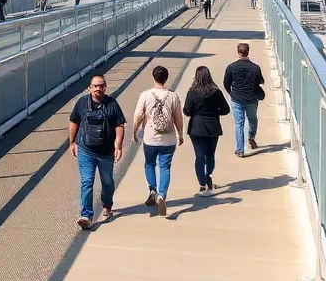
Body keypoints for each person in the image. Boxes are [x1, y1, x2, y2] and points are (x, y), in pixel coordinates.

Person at [68, 74, 126, 229]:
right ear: (89, 88)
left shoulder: (112, 104)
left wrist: (118, 146)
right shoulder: (81, 103)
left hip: (106, 152)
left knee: (107, 182)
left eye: (101, 86)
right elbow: (73, 122)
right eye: (95, 86)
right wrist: (71, 142)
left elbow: (120, 125)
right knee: (87, 181)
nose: (98, 88)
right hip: (86, 150)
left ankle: (107, 204)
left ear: (105, 88)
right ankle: (86, 215)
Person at [132, 65, 184, 216]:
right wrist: (180, 134)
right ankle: (162, 194)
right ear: (166, 78)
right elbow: (178, 118)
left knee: (149, 164)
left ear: (153, 77)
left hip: (150, 138)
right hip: (168, 140)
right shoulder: (173, 96)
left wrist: (134, 132)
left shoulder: (145, 95)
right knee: (165, 167)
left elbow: (138, 116)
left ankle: (152, 190)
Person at [183, 65, 231, 195]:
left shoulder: (192, 92)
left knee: (199, 156)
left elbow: (186, 111)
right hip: (213, 126)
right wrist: (215, 112)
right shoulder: (216, 92)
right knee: (210, 155)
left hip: (197, 127)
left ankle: (202, 183)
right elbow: (226, 109)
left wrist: (195, 112)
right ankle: (208, 174)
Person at [223, 42, 266, 157]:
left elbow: (226, 83)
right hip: (252, 98)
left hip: (237, 98)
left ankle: (240, 150)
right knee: (252, 119)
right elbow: (261, 82)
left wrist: (232, 93)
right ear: (248, 52)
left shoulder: (231, 67)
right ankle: (251, 137)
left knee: (239, 123)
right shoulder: (255, 68)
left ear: (238, 53)